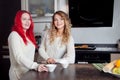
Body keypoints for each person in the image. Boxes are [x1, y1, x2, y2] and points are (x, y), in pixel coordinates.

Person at [8, 10, 48, 80]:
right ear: (18, 21)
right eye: (24, 19)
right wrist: (35, 66)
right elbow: (19, 56)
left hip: (28, 72)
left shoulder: (28, 36)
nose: (27, 22)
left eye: (29, 19)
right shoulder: (14, 35)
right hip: (18, 74)